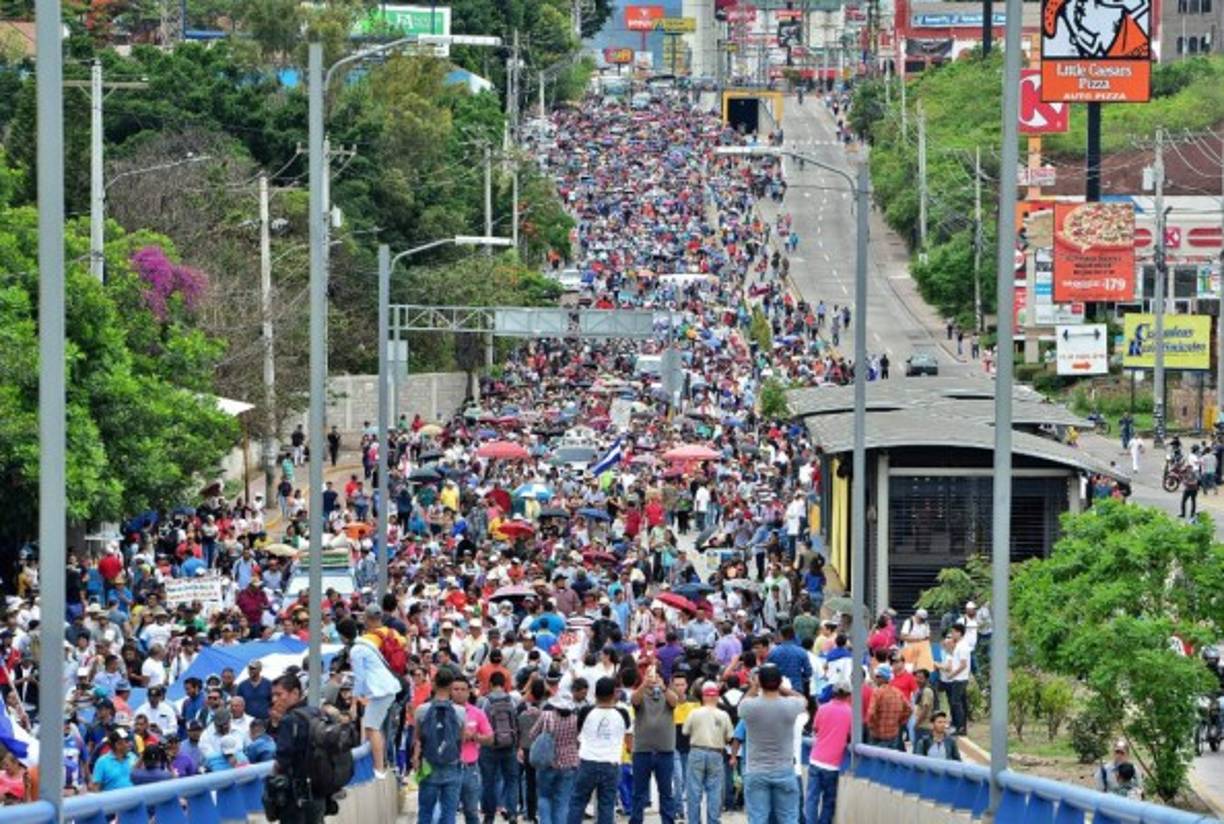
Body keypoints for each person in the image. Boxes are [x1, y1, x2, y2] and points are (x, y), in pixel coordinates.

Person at [738, 664, 806, 823]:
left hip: (756, 771)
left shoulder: (750, 707)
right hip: (784, 770)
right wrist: (784, 689)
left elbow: (741, 706)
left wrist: (754, 687)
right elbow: (804, 700)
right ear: (780, 681)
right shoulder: (790, 706)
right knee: (789, 818)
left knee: (758, 818)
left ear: (760, 682)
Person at [337, 616, 401, 777]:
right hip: (384, 689)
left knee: (372, 728)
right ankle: (381, 764)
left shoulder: (356, 650)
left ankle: (379, 768)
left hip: (381, 691)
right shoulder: (366, 643)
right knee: (374, 727)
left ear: (343, 636)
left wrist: (353, 702)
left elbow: (360, 678)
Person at [568, 676, 631, 824]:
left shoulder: (585, 711)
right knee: (607, 805)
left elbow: (577, 733)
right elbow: (629, 740)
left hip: (587, 762)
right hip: (611, 764)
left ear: (595, 694)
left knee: (577, 802)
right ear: (614, 694)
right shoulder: (623, 714)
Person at [269, 673, 326, 824]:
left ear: (294, 693)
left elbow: (282, 759)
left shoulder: (289, 721)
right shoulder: (317, 713)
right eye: (273, 695)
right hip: (319, 791)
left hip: (296, 795)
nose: (274, 699)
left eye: (279, 694)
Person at [414, 669, 466, 824]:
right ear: (451, 687)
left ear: (434, 685)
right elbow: (461, 740)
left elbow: (417, 738)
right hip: (452, 765)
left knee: (425, 811)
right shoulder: (460, 711)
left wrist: (416, 758)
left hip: (428, 766)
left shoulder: (422, 710)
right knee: (449, 813)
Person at [630, 663, 678, 824]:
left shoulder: (668, 693)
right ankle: (636, 820)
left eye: (655, 675)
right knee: (639, 792)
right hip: (642, 751)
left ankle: (668, 821)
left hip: (665, 751)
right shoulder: (640, 694)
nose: (653, 679)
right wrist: (644, 684)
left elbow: (674, 702)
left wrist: (663, 687)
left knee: (666, 792)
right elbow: (634, 700)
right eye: (650, 675)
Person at [682, 681, 733, 824]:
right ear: (717, 697)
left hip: (697, 751)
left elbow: (685, 731)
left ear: (703, 697)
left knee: (694, 791)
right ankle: (713, 821)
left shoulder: (694, 712)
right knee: (714, 790)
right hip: (716, 753)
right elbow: (729, 737)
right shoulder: (723, 715)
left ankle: (694, 821)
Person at [805, 679, 852, 824]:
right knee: (829, 800)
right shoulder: (850, 712)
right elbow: (851, 736)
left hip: (816, 759)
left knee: (812, 798)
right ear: (849, 695)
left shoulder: (823, 708)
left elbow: (816, 729)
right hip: (833, 764)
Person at [477, 672, 520, 824]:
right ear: (505, 683)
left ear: (490, 683)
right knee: (512, 780)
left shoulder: (484, 701)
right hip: (509, 746)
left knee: (489, 781)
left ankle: (489, 816)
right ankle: (513, 813)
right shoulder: (512, 700)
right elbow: (517, 721)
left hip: (489, 746)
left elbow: (480, 722)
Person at [865, 665, 909, 750]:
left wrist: (871, 726)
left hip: (878, 735)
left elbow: (871, 713)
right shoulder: (898, 692)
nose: (875, 678)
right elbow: (909, 709)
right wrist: (900, 721)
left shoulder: (877, 693)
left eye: (878, 676)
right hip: (893, 734)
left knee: (875, 761)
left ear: (883, 678)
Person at [941, 625, 971, 736]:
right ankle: (960, 726)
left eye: (953, 632)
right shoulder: (958, 645)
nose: (952, 635)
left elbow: (963, 665)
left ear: (959, 633)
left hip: (960, 678)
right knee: (960, 703)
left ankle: (960, 727)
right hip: (957, 678)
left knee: (956, 702)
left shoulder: (963, 646)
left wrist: (952, 675)